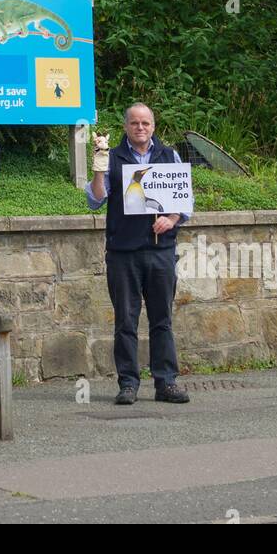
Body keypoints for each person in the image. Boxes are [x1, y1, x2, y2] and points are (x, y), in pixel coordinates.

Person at [87, 104, 192, 406]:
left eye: (146, 123)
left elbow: (184, 200)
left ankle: (166, 382)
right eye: (134, 123)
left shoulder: (169, 155)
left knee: (162, 320)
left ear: (154, 127)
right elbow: (96, 199)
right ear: (126, 127)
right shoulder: (111, 158)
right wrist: (98, 170)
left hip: (161, 251)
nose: (140, 127)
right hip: (123, 252)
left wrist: (171, 220)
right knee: (125, 321)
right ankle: (128, 383)